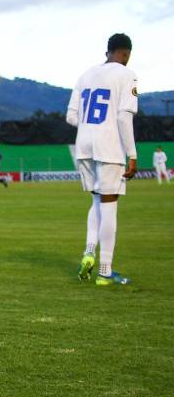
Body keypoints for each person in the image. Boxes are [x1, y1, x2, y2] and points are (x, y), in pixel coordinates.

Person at [66, 33, 137, 286]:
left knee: (97, 200)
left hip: (84, 146)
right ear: (126, 53)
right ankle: (105, 271)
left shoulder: (85, 75)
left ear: (107, 50)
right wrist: (132, 154)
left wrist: (90, 127)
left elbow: (72, 117)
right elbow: (123, 118)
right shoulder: (126, 74)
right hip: (109, 147)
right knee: (110, 205)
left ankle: (88, 252)